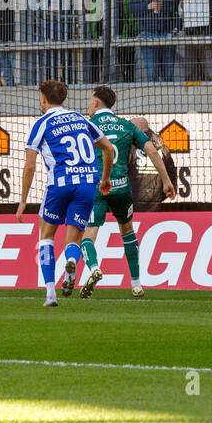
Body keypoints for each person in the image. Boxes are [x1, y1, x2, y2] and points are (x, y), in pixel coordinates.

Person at [15, 79, 115, 307]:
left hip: (59, 184)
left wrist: (22, 201)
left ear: (43, 98)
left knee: (46, 236)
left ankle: (50, 292)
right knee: (75, 238)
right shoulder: (81, 118)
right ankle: (71, 261)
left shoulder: (42, 123)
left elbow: (29, 166)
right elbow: (109, 148)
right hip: (87, 185)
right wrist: (105, 178)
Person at [78, 85, 176, 299]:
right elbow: (151, 150)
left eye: (89, 100)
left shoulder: (88, 124)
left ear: (95, 102)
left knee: (89, 233)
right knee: (128, 232)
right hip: (122, 187)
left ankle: (94, 267)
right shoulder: (126, 125)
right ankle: (136, 283)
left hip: (97, 186)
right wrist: (167, 181)